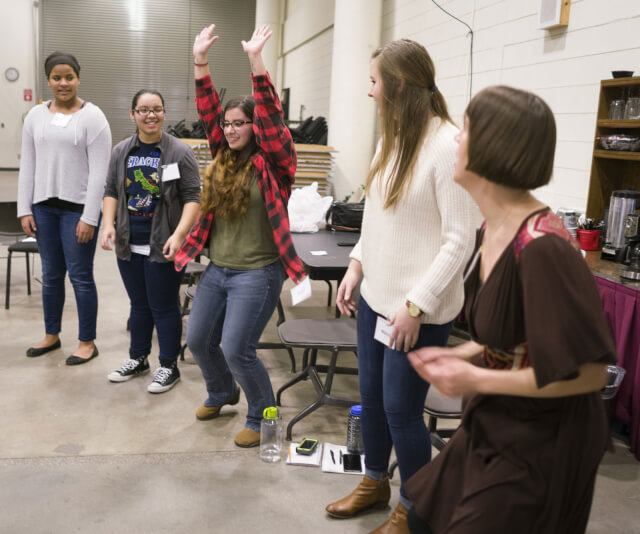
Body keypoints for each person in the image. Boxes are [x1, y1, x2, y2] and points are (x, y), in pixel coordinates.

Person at [404, 86, 616, 534]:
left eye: (464, 129)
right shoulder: (493, 228)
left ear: (493, 147)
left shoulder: (543, 249)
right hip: (497, 419)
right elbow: (512, 335)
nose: (456, 140)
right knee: (423, 516)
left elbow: (589, 374)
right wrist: (461, 355)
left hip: (543, 439)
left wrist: (475, 377)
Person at [324, 39, 478, 533]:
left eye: (374, 82)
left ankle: (417, 507)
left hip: (416, 311)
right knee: (370, 397)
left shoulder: (448, 144)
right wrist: (356, 265)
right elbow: (378, 215)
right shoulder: (393, 137)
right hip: (377, 299)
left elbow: (460, 241)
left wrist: (416, 305)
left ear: (399, 85)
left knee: (401, 411)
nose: (369, 92)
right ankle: (374, 481)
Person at [174, 24, 307, 448]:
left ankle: (263, 414)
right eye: (227, 124)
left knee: (237, 349)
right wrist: (200, 62)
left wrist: (256, 62)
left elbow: (271, 117)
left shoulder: (275, 163)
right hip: (219, 269)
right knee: (196, 339)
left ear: (255, 126)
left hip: (259, 272)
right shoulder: (222, 159)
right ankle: (221, 392)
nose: (230, 130)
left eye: (240, 124)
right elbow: (207, 109)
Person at [101, 89, 200, 393]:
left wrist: (179, 235)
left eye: (156, 109)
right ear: (133, 114)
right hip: (129, 243)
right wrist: (108, 225)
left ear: (163, 114)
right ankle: (138, 358)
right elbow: (111, 191)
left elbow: (193, 198)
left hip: (163, 244)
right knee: (139, 305)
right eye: (143, 110)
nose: (150, 115)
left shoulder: (179, 152)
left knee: (164, 306)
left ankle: (168, 366)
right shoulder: (121, 151)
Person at [17, 51, 111, 365]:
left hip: (77, 210)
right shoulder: (35, 116)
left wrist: (90, 215)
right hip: (43, 207)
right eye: (56, 77)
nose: (63, 83)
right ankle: (51, 334)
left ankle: (87, 341)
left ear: (78, 78)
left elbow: (100, 172)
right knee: (51, 275)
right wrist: (24, 208)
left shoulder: (93, 117)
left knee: (81, 276)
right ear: (48, 80)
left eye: (69, 76)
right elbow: (27, 165)